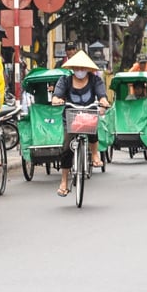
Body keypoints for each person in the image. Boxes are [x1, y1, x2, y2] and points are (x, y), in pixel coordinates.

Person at [51, 51, 110, 196]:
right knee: (66, 148)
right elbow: (56, 96)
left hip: (88, 114)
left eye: (83, 68)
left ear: (88, 69)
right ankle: (64, 181)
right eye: (77, 68)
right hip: (71, 116)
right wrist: (57, 100)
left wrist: (103, 102)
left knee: (93, 126)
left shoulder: (95, 80)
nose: (80, 71)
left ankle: (95, 155)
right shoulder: (64, 80)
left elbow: (102, 95)